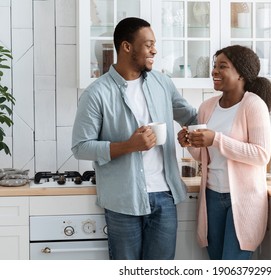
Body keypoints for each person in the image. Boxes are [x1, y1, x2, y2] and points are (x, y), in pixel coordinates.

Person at [71, 17, 197, 260]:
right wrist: (129, 146)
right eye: (148, 44)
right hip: (123, 199)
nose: (155, 50)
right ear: (127, 47)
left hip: (165, 195)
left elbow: (190, 116)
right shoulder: (97, 93)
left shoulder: (162, 83)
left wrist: (199, 131)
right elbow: (81, 147)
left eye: (154, 44)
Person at [178, 45, 271, 260]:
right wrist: (188, 142)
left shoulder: (254, 105)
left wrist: (216, 139)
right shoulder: (207, 107)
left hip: (243, 199)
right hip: (212, 196)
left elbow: (262, 154)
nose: (214, 71)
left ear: (241, 73)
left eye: (222, 66)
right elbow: (203, 156)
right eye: (214, 66)